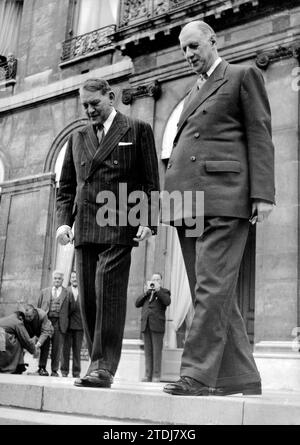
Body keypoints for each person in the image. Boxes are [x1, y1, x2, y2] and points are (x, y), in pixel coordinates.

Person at [162, 21, 275, 397]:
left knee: (211, 286)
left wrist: (263, 194)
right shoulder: (194, 90)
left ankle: (196, 374)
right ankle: (241, 376)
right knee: (209, 288)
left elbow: (260, 134)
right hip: (187, 203)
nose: (188, 54)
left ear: (213, 40)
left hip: (225, 199)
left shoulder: (243, 76)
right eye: (183, 49)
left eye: (194, 46)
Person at [56, 78, 160, 388]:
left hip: (119, 224)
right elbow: (66, 188)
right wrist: (64, 223)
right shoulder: (77, 138)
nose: (89, 110)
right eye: (84, 106)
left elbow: (149, 181)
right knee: (89, 299)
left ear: (110, 97)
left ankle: (103, 366)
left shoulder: (137, 129)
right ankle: (95, 361)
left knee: (108, 293)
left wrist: (146, 220)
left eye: (94, 104)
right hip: (86, 228)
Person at [135, 273, 171, 382]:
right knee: (148, 351)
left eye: (157, 279)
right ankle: (147, 375)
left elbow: (167, 301)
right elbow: (137, 303)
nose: (155, 281)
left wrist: (158, 290)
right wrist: (146, 292)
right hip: (146, 325)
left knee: (156, 352)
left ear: (160, 281)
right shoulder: (147, 293)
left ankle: (156, 376)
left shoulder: (164, 292)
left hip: (157, 326)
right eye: (153, 279)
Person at [37, 270, 70, 377]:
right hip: (47, 322)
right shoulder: (44, 291)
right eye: (55, 278)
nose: (57, 280)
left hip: (59, 323)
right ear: (53, 279)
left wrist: (65, 320)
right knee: (44, 346)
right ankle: (42, 368)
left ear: (62, 280)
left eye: (59, 279)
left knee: (57, 347)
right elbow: (38, 308)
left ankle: (54, 370)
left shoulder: (67, 293)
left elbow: (71, 309)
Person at [0, 309, 39, 374]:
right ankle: (15, 366)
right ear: (21, 318)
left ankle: (16, 365)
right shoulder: (18, 322)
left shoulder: (7, 318)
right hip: (1, 337)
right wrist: (34, 350)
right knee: (18, 341)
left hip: (2, 337)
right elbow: (26, 339)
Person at [60, 271, 84, 378]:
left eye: (76, 277)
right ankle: (64, 371)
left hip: (79, 326)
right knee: (65, 350)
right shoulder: (65, 291)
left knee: (77, 350)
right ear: (70, 279)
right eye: (73, 277)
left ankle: (76, 372)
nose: (75, 279)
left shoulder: (84, 292)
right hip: (67, 326)